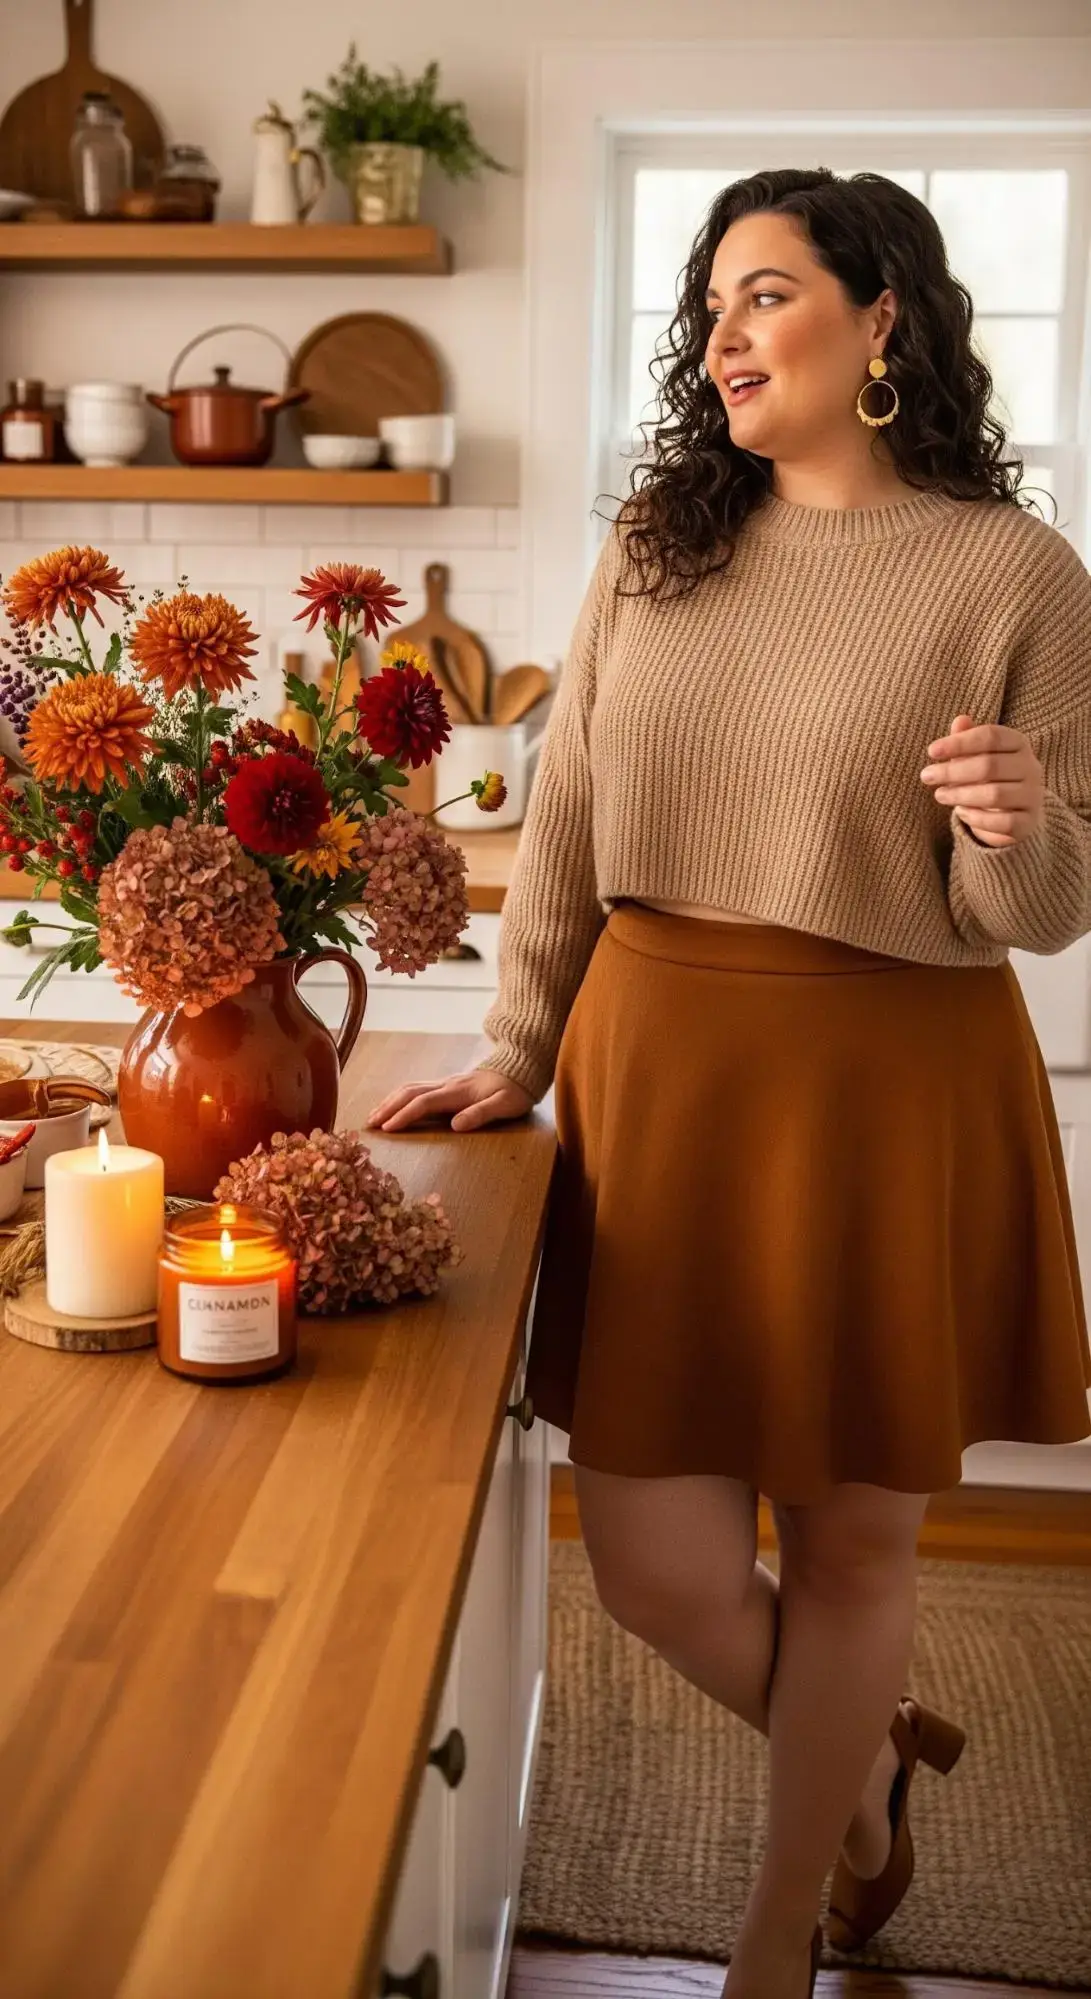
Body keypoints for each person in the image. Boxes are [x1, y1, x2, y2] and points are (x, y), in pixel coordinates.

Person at [365, 168, 1091, 1999]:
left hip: (892, 1080)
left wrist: (1018, 823)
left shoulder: (1016, 575)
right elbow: (569, 827)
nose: (723, 329)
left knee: (851, 1548)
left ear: (882, 325)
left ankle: (780, 1938)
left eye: (765, 290)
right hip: (665, 1068)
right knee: (658, 1566)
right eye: (710, 304)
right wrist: (517, 1042)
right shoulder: (655, 548)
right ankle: (861, 1795)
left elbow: (1049, 904)